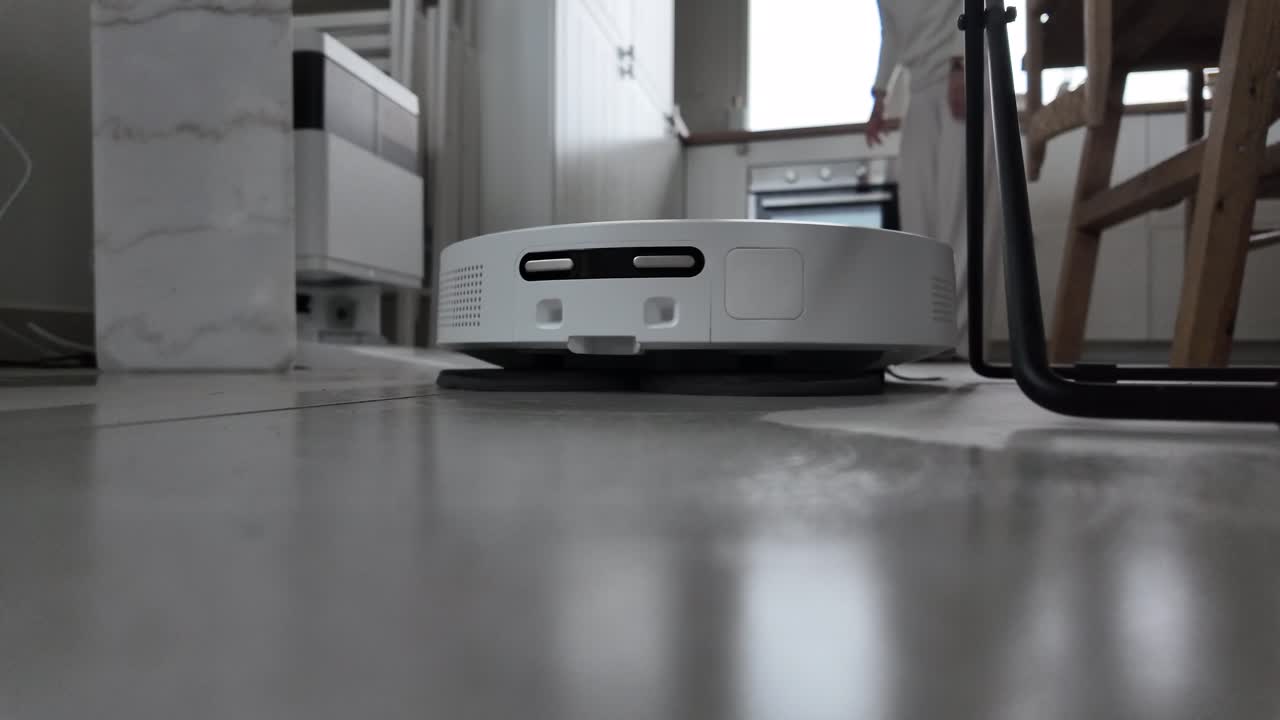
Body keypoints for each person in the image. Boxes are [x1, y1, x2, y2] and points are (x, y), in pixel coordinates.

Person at [866, 0, 999, 359]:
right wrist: (880, 94)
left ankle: (962, 347)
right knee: (919, 217)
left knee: (962, 215)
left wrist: (962, 60)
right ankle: (930, 338)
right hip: (921, 87)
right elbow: (891, 31)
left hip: (963, 69)